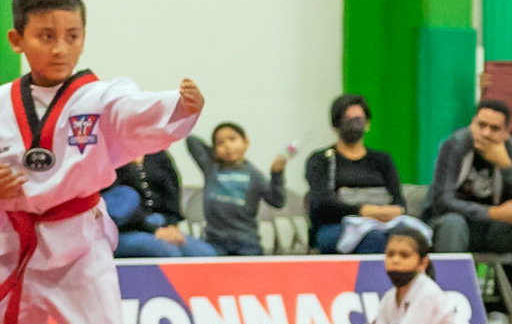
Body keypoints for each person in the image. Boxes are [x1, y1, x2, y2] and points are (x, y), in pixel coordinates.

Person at [0, 0, 202, 324]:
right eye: (45, 36)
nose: (60, 48)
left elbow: (138, 112)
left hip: (79, 247)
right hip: (11, 247)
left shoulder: (101, 96)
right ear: (17, 40)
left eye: (72, 35)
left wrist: (178, 105)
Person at [426, 99, 512, 318]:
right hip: (452, 228)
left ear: (506, 132)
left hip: (494, 232)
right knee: (453, 223)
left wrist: (506, 166)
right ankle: (451, 312)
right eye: (481, 125)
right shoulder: (454, 146)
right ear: (472, 123)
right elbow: (442, 201)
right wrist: (492, 213)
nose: (485, 133)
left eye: (494, 128)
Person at [328, 222, 478, 324]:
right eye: (390, 254)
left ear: (422, 263)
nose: (395, 260)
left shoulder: (428, 293)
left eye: (404, 255)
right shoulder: (390, 296)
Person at [305, 95, 405, 254]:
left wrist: (392, 212)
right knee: (374, 238)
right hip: (335, 226)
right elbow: (322, 204)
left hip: (382, 223)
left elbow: (399, 200)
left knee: (409, 238)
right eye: (348, 119)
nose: (354, 124)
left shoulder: (382, 159)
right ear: (336, 125)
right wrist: (362, 211)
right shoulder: (322, 160)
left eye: (359, 119)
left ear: (367, 124)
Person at [185, 122, 288, 256]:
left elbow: (277, 201)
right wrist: (214, 153)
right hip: (214, 241)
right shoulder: (211, 167)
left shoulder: (254, 175)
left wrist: (277, 174)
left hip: (246, 241)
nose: (227, 146)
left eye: (232, 139)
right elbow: (191, 141)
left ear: (246, 142)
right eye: (220, 143)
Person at [106, 151, 217, 258]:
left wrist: (171, 226)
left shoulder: (158, 155)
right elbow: (118, 208)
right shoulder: (109, 155)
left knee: (206, 253)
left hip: (161, 223)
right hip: (125, 229)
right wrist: (153, 229)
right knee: (168, 251)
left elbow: (172, 198)